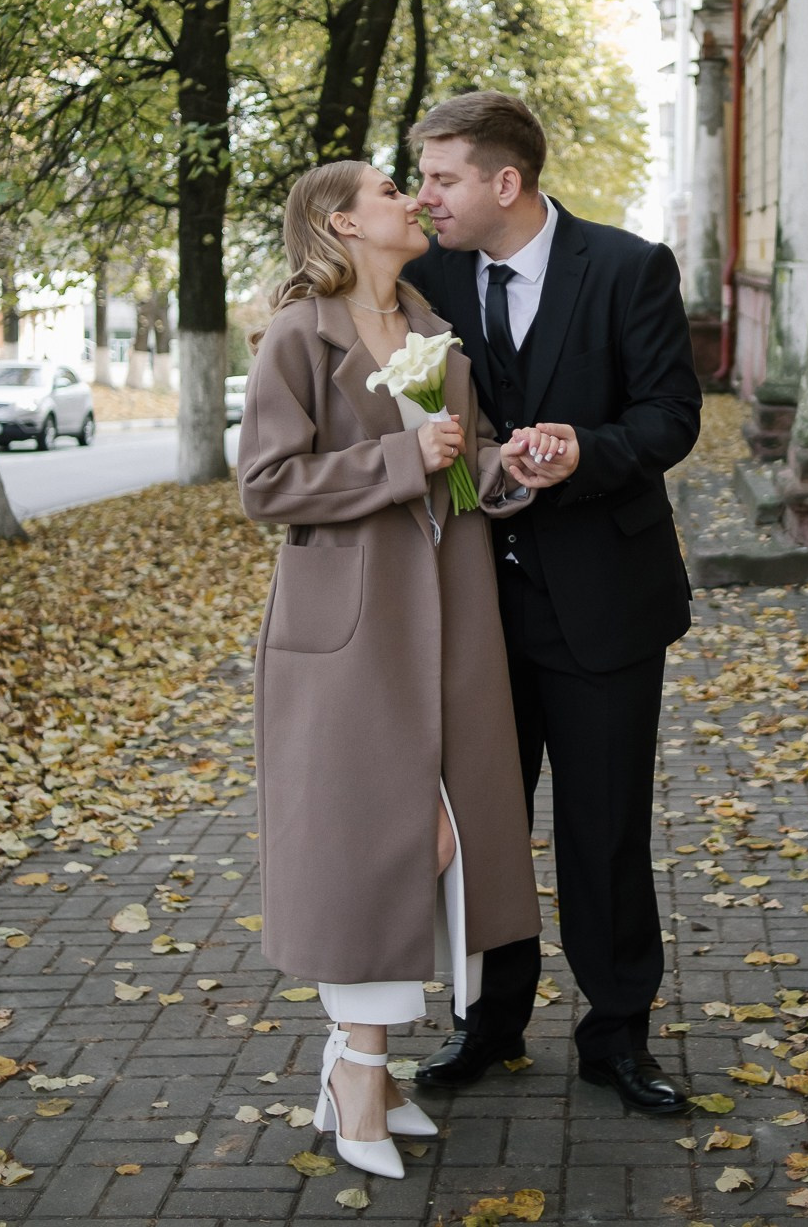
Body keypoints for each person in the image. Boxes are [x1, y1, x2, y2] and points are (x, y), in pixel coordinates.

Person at [236, 160, 541, 1180]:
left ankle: (362, 1065)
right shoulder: (298, 337)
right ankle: (359, 1071)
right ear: (340, 221)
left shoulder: (429, 331)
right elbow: (268, 486)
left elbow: (458, 460)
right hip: (350, 635)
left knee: (445, 839)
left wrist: (507, 467)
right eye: (385, 190)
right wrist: (400, 463)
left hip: (451, 622)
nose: (409, 199)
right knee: (380, 843)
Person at [404, 92, 702, 1115]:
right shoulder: (424, 279)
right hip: (472, 603)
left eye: (441, 178)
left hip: (606, 602)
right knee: (486, 826)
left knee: (605, 828)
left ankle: (617, 1037)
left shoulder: (628, 267)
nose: (424, 197)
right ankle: (490, 1024)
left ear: (504, 182)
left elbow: (670, 418)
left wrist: (586, 452)